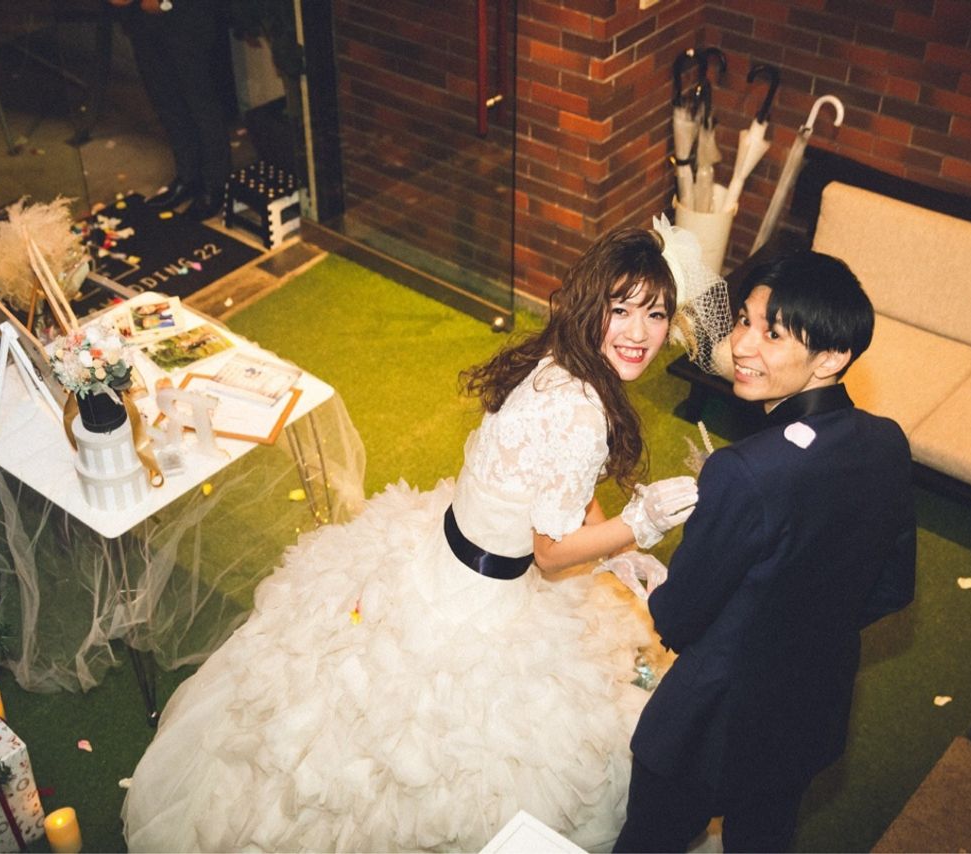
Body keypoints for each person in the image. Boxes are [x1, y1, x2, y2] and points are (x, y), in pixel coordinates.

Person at [121, 221, 726, 852]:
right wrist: (638, 525)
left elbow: (563, 488)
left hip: (440, 552)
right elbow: (549, 555)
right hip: (482, 604)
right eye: (621, 309)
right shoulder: (581, 412)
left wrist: (616, 547)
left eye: (655, 314)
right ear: (591, 304)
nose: (639, 332)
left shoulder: (559, 361)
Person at [612, 251, 917, 852]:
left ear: (832, 356)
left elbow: (678, 617)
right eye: (744, 321)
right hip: (807, 714)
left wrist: (660, 587)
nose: (742, 346)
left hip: (708, 727)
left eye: (773, 334)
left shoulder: (744, 471)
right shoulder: (887, 442)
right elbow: (891, 589)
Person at [112, 0, 235, 219]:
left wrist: (165, 1)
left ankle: (216, 185)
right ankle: (188, 177)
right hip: (141, 18)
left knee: (200, 101)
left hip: (185, 13)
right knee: (166, 100)